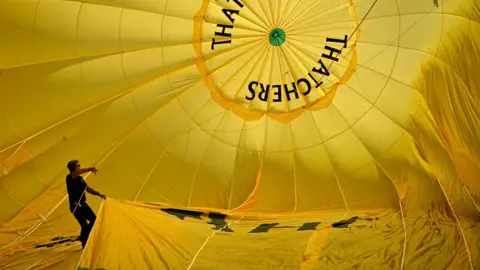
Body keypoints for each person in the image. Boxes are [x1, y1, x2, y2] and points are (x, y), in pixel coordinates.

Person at [66, 160, 106, 249]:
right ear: (74, 169)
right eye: (78, 165)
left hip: (83, 204)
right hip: (76, 207)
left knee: (94, 220)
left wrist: (99, 194)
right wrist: (89, 169)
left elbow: (88, 189)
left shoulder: (80, 179)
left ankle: (83, 236)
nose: (80, 166)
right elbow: (76, 173)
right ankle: (84, 243)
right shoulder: (69, 178)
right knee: (84, 225)